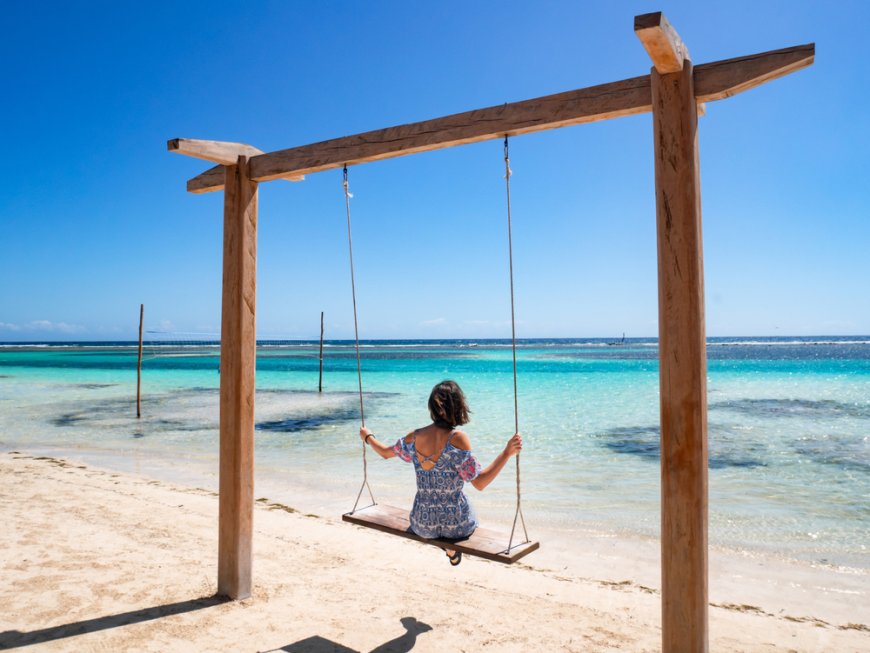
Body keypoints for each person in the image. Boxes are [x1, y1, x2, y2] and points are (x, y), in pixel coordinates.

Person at [359, 380, 522, 566]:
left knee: (444, 510)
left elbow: (385, 453)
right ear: (458, 406)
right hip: (456, 526)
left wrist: (368, 437)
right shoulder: (458, 439)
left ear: (433, 408)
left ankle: (449, 549)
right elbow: (480, 483)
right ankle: (450, 547)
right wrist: (507, 452)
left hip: (422, 524)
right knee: (469, 507)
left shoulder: (415, 436)